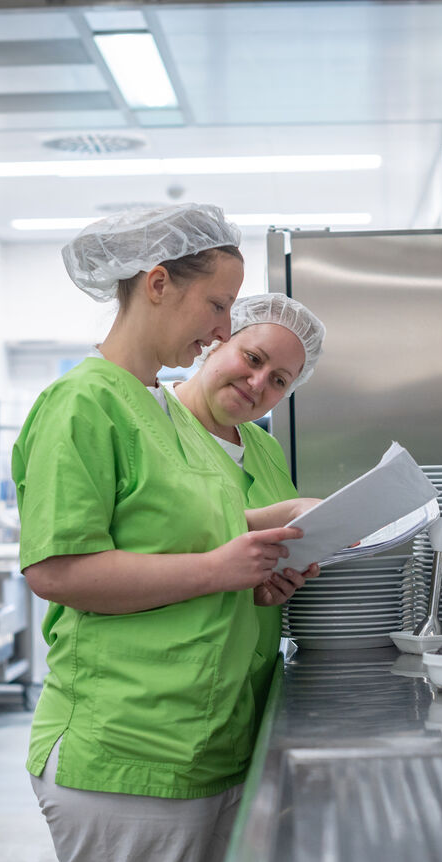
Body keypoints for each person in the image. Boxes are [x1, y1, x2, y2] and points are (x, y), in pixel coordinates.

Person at [15, 203, 320, 862]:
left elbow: (182, 540)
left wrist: (258, 556)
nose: (222, 326)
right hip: (129, 743)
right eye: (216, 304)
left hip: (200, 741)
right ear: (156, 283)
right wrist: (222, 568)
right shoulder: (82, 402)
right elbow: (56, 571)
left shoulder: (154, 407)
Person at [168, 293, 326, 726]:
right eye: (253, 358)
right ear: (217, 342)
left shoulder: (265, 447)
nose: (258, 383)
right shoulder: (153, 427)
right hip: (160, 707)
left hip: (243, 707)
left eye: (279, 380)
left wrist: (269, 586)